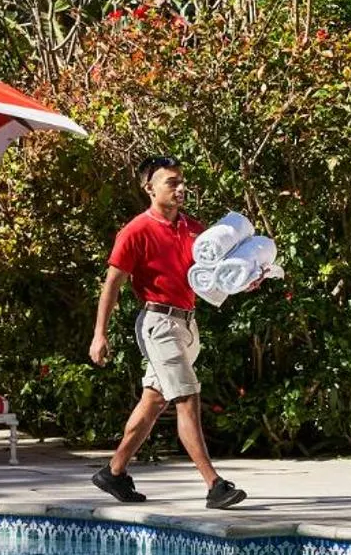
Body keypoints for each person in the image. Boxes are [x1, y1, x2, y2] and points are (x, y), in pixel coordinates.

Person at [89, 156, 245, 509]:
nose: (180, 188)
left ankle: (113, 472)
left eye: (181, 181)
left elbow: (214, 274)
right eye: (171, 182)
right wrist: (100, 334)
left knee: (154, 400)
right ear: (150, 188)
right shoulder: (135, 231)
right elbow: (112, 284)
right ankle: (214, 485)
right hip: (158, 324)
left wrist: (246, 278)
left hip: (188, 324)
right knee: (187, 399)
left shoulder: (194, 228)